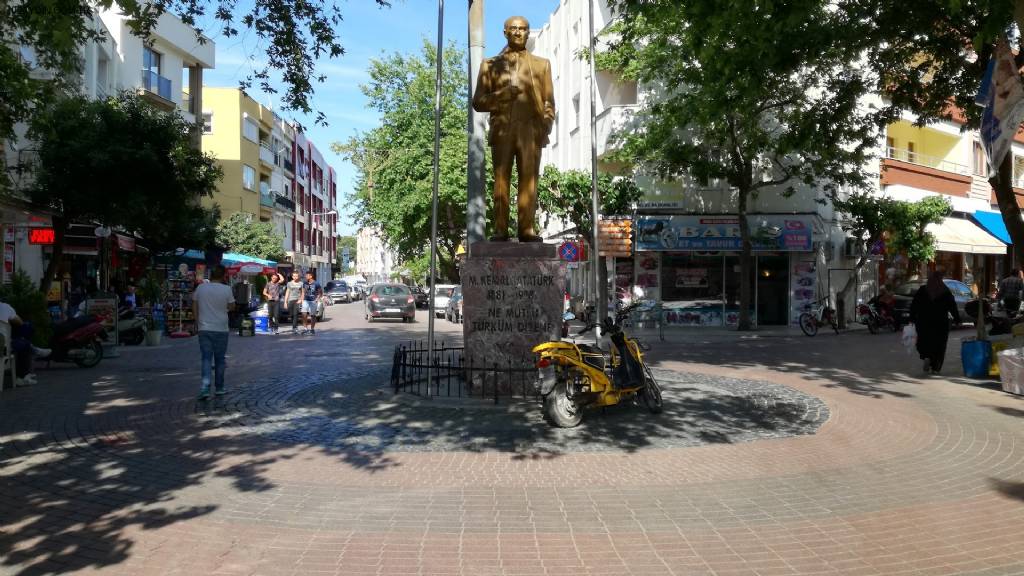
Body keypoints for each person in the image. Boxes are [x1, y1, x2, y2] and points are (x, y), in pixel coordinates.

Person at [472, 15, 555, 242]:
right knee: (501, 179)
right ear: (505, 33)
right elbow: (478, 101)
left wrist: (545, 125)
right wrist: (501, 96)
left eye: (524, 29)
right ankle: (500, 229)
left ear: (528, 33)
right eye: (514, 29)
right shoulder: (489, 65)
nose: (519, 33)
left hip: (531, 129)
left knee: (529, 179)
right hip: (502, 129)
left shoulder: (542, 64)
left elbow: (549, 101)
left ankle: (526, 229)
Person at [192, 265, 234, 400]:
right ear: (223, 276)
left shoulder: (201, 288)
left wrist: (197, 321)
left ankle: (205, 388)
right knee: (220, 359)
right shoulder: (226, 289)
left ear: (210, 275)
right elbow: (232, 306)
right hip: (221, 328)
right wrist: (224, 307)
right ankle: (220, 388)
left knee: (206, 358)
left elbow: (194, 305)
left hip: (204, 327)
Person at [909, 271, 961, 375]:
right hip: (940, 323)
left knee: (924, 341)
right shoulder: (945, 291)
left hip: (923, 322)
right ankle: (935, 367)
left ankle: (926, 356)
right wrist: (957, 319)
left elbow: (914, 305)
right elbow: (952, 306)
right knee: (939, 345)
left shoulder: (923, 290)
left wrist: (912, 318)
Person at [0, 300, 50, 387]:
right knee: (26, 328)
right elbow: (20, 322)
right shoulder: (4, 307)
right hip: (3, 347)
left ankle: (32, 349)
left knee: (21, 336)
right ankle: (22, 376)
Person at [300, 271, 323, 335]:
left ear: (311, 276)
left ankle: (312, 329)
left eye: (307, 275)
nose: (306, 276)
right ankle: (305, 328)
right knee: (303, 314)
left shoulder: (316, 283)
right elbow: (303, 292)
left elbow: (320, 292)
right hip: (306, 300)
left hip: (313, 301)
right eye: (306, 275)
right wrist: (302, 299)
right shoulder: (304, 283)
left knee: (313, 315)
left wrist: (317, 299)